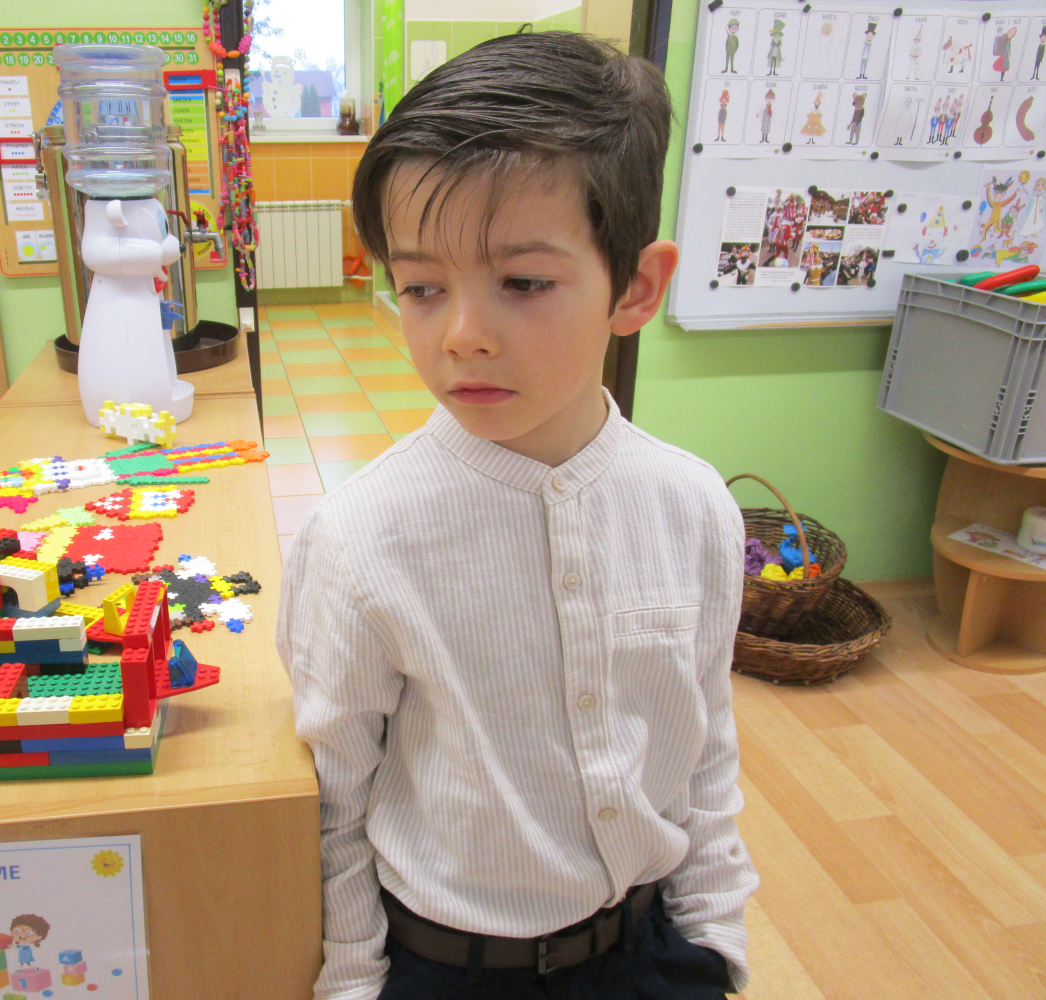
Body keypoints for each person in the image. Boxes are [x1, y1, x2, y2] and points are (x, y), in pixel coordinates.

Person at [278, 31, 757, 1000]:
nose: (462, 334)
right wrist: (353, 983)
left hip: (649, 951)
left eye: (523, 283)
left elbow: (701, 735)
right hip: (446, 970)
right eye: (421, 287)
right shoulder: (362, 537)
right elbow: (334, 800)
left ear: (634, 287)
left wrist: (715, 936)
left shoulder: (693, 506)